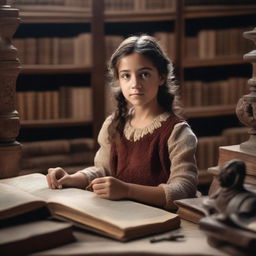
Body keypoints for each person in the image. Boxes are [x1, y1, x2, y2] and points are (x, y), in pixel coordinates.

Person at [47, 34, 198, 210]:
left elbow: (183, 191)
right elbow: (102, 171)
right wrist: (73, 178)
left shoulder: (177, 132)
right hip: (120, 217)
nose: (135, 84)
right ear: (118, 80)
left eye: (144, 74)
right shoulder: (113, 124)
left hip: (161, 222)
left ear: (161, 77)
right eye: (126, 76)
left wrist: (127, 190)